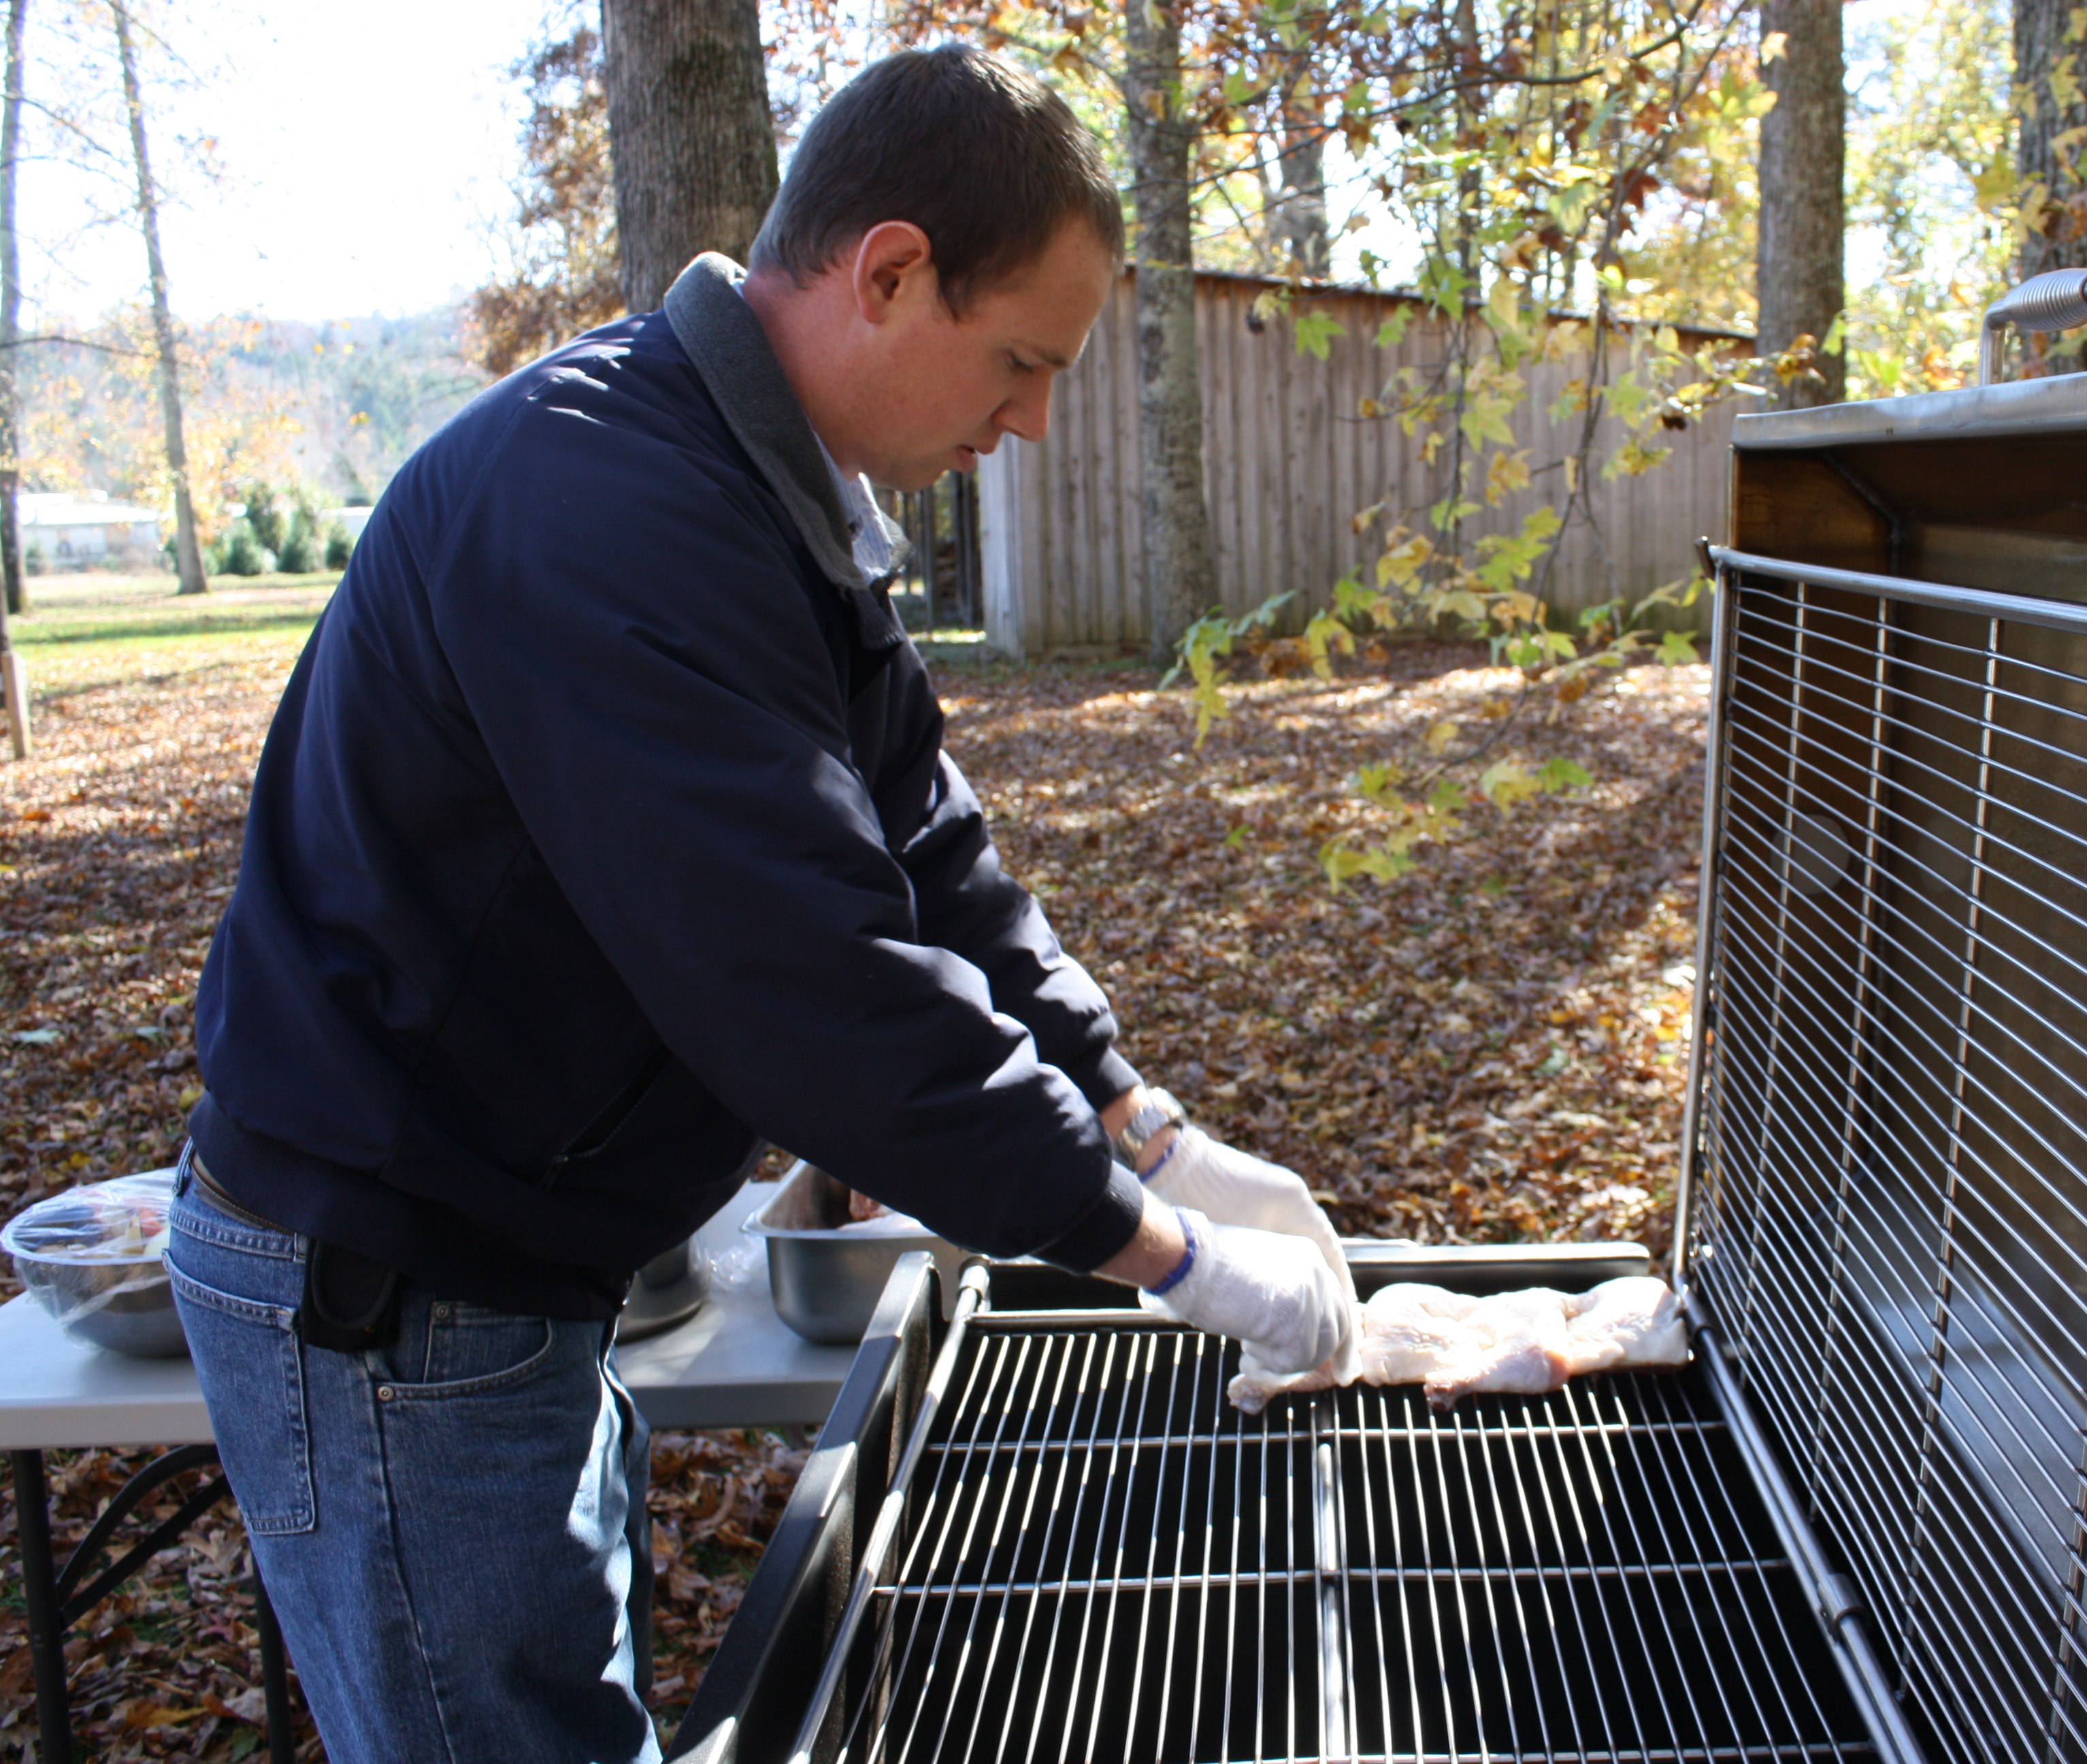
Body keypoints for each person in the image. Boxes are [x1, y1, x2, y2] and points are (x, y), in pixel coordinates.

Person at [163, 45, 1355, 1763]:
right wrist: (1167, 1259)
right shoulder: (606, 511)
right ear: (888, 272)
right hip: (393, 1285)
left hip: (520, 1260)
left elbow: (931, 855)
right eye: (1021, 362)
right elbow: (816, 982)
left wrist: (1145, 1121)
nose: (1027, 422)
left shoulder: (773, 499)